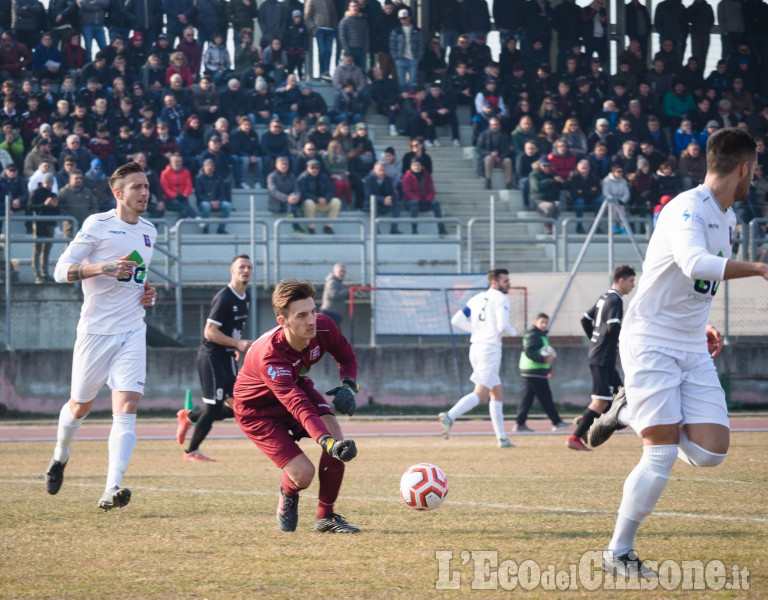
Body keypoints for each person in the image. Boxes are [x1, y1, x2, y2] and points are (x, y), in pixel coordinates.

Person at [587, 128, 768, 577]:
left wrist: (700, 322)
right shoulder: (687, 207)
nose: (757, 175)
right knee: (661, 453)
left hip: (689, 342)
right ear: (744, 167)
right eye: (756, 167)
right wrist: (760, 267)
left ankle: (627, 412)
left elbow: (692, 284)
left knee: (712, 452)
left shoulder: (726, 218)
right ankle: (618, 553)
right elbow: (694, 263)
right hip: (649, 339)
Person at [44, 161, 158, 511]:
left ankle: (112, 488)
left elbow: (135, 277)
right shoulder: (98, 224)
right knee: (80, 406)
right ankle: (60, 456)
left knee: (127, 406)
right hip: (95, 332)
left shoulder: (150, 230)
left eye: (146, 186)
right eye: (136, 186)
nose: (144, 192)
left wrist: (147, 291)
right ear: (118, 193)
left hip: (132, 328)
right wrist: (102, 267)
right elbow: (60, 271)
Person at [232, 278, 360, 533]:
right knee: (304, 474)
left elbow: (346, 356)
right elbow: (297, 405)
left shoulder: (323, 326)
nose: (311, 320)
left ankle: (326, 517)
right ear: (284, 322)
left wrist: (348, 384)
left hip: (295, 384)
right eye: (301, 315)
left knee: (336, 435)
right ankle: (288, 491)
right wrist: (326, 443)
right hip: (257, 412)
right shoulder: (270, 355)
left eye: (312, 311)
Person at [176, 255, 254, 462]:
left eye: (249, 267)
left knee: (235, 406)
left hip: (227, 357)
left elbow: (233, 328)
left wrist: (234, 346)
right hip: (212, 357)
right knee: (212, 407)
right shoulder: (225, 297)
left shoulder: (246, 297)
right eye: (241, 267)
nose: (245, 270)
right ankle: (191, 452)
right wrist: (237, 344)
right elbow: (209, 332)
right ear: (232, 271)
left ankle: (189, 417)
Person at [439, 269, 519, 448]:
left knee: (497, 392)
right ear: (494, 283)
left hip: (475, 347)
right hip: (489, 350)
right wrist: (513, 331)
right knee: (481, 394)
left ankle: (502, 438)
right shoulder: (501, 299)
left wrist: (477, 330)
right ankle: (450, 415)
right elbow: (502, 325)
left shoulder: (476, 298)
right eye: (505, 281)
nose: (508, 284)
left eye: (508, 280)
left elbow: (457, 320)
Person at [566, 265, 636, 451]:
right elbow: (613, 328)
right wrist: (627, 338)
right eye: (631, 281)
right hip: (603, 357)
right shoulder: (615, 300)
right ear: (621, 280)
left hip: (601, 354)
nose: (633, 285)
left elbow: (585, 319)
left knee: (619, 397)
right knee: (602, 402)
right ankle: (575, 436)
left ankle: (586, 419)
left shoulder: (604, 296)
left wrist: (595, 340)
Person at [515, 313, 569, 432]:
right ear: (536, 322)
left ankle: (520, 424)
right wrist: (543, 360)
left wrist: (548, 368)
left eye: (546, 322)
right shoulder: (534, 335)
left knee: (527, 399)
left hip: (533, 370)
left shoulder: (540, 335)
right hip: (533, 370)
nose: (544, 325)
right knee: (546, 398)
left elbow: (542, 351)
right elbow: (529, 351)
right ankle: (557, 422)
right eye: (542, 322)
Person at [319, 263, 349, 327]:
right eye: (340, 271)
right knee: (333, 335)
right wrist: (348, 291)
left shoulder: (339, 283)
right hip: (329, 314)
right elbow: (334, 295)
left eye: (344, 272)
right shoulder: (332, 282)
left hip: (334, 315)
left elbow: (343, 295)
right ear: (334, 272)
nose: (342, 273)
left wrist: (352, 293)